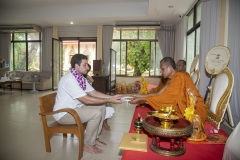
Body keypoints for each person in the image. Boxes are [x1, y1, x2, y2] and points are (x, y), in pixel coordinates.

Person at [53, 54, 122, 154]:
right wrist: (110, 100)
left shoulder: (80, 78)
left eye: (87, 65)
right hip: (64, 113)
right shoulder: (69, 79)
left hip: (75, 109)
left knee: (102, 108)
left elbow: (93, 93)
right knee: (96, 113)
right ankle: (87, 144)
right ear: (76, 66)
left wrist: (112, 97)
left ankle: (94, 139)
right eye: (85, 65)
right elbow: (87, 100)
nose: (88, 67)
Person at [130, 57, 207, 122]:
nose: (161, 71)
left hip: (195, 112)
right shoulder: (170, 80)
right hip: (183, 108)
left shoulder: (179, 77)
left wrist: (144, 99)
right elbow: (159, 94)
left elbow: (166, 99)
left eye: (163, 69)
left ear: (169, 68)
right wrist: (140, 96)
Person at [84, 63, 114, 131]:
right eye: (85, 66)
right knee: (103, 105)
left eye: (88, 69)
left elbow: (92, 82)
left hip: (90, 95)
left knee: (107, 105)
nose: (87, 69)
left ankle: (105, 122)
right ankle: (103, 123)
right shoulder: (78, 78)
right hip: (86, 98)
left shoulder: (85, 77)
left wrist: (110, 98)